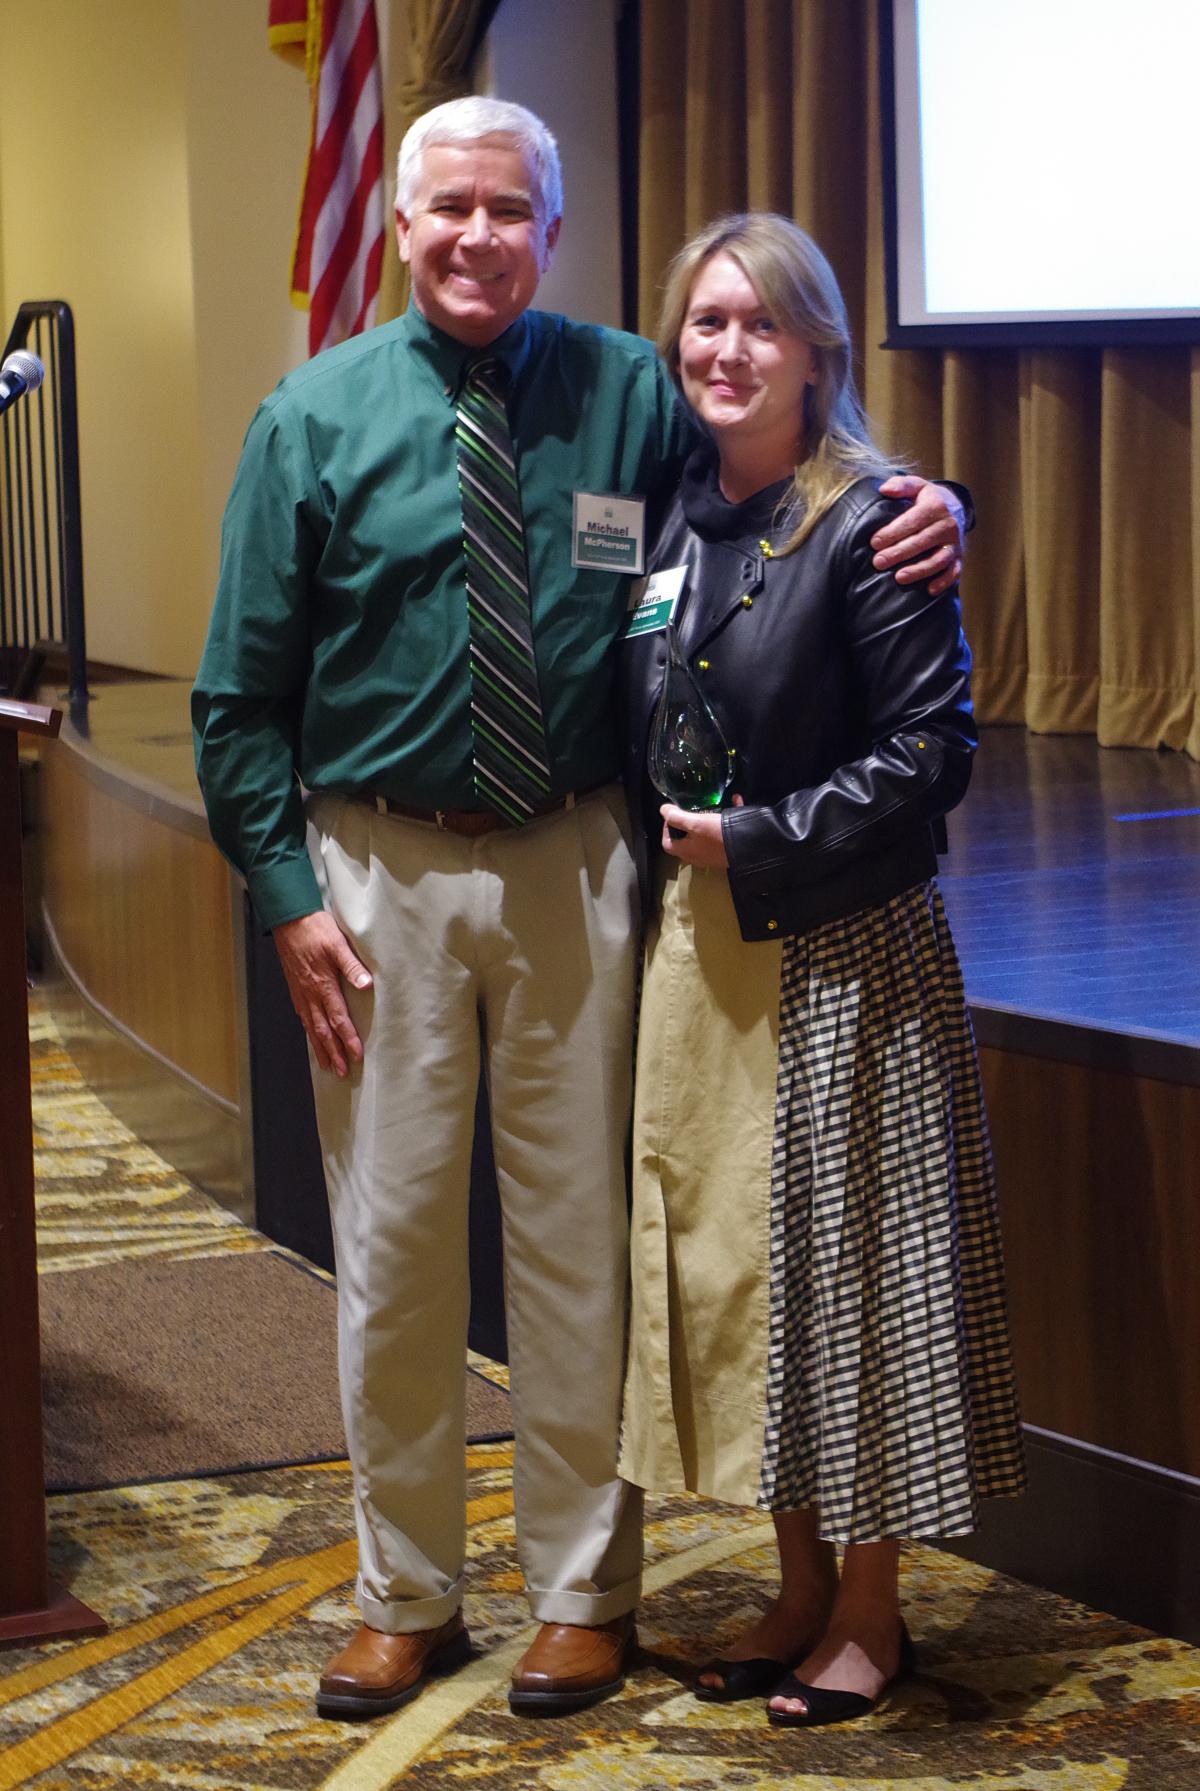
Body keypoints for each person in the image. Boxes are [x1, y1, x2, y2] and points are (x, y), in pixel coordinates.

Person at [192, 99, 967, 1722]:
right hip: (375, 871)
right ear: (403, 228)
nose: (477, 236)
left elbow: (788, 476)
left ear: (553, 228)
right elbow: (234, 698)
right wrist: (284, 897)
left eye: (509, 210)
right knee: (394, 1248)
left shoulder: (629, 386)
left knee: (579, 1254)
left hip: (581, 863)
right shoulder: (311, 418)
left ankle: (578, 1593)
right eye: (448, 209)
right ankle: (404, 1589)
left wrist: (926, 500)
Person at [617, 212, 1026, 1729]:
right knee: (745, 1282)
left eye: (761, 326)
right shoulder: (664, 509)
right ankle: (793, 1586)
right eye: (705, 324)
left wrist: (760, 837)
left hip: (844, 946)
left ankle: (869, 1607)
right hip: (704, 957)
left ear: (819, 352)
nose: (728, 351)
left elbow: (936, 756)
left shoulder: (875, 520)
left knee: (852, 1284)